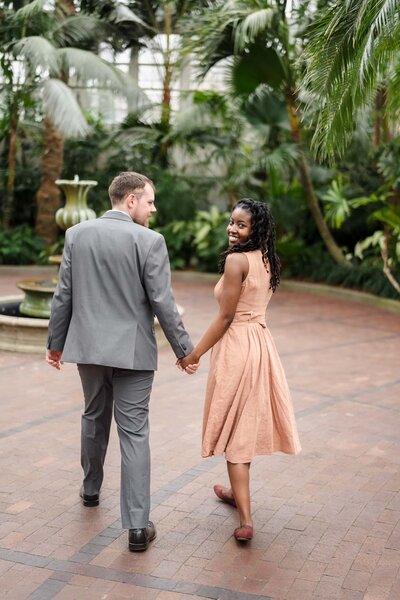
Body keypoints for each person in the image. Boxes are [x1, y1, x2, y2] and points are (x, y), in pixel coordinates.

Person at [46, 171, 193, 552]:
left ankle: (91, 490)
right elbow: (163, 301)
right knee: (134, 432)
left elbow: (64, 295)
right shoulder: (150, 241)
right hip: (133, 353)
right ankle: (138, 527)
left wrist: (55, 343)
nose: (153, 208)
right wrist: (183, 350)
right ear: (130, 200)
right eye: (150, 201)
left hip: (90, 351)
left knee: (94, 416)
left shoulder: (77, 235)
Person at [179, 198, 301, 542]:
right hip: (261, 345)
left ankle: (245, 520)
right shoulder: (268, 258)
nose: (233, 229)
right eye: (231, 222)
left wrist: (195, 354)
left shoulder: (236, 261)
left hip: (237, 348)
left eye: (241, 225)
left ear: (255, 229)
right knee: (243, 424)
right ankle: (236, 492)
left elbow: (226, 317)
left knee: (235, 433)